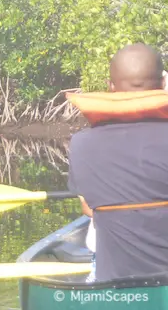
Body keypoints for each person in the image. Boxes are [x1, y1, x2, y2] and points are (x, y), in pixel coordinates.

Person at [67, 43, 168, 282]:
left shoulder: (82, 144)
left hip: (113, 287)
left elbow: (88, 209)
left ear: (110, 86)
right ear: (163, 85)